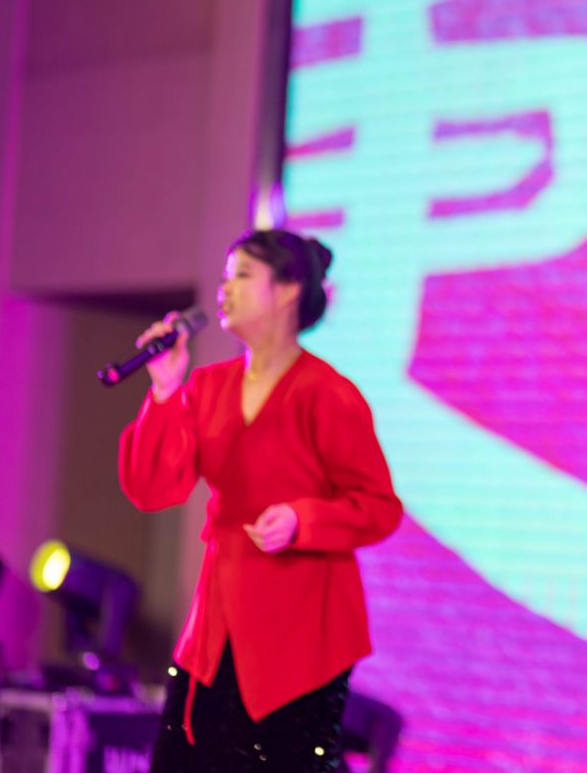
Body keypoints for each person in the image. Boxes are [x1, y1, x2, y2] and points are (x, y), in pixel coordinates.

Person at [119, 229, 403, 772]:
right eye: (225, 278)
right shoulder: (208, 387)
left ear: (289, 290)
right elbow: (154, 488)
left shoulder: (327, 393)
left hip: (301, 634)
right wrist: (165, 389)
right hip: (217, 626)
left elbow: (378, 507)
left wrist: (303, 519)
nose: (224, 290)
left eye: (243, 276)